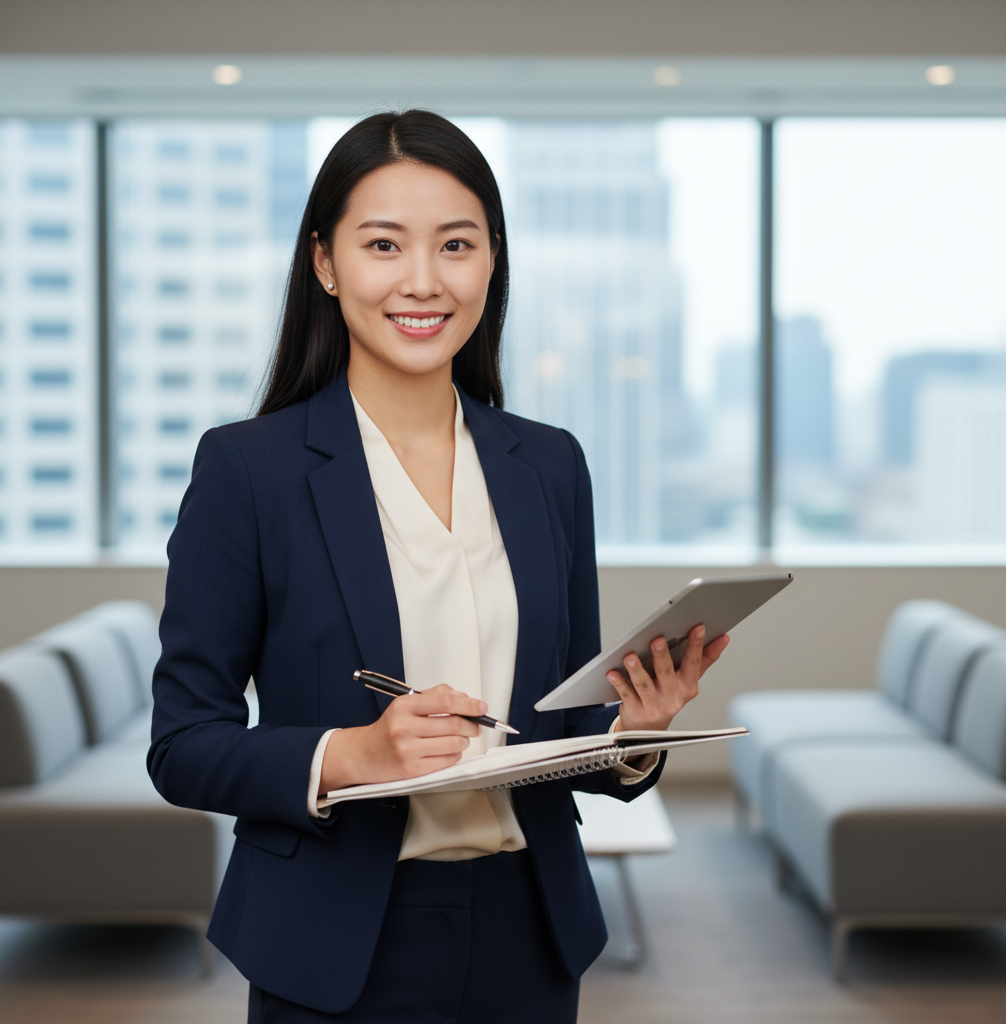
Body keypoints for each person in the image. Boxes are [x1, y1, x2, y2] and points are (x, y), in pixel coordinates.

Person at [148, 110, 729, 1024]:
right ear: (326, 263)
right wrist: (351, 755)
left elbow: (558, 731)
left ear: (492, 260)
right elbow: (182, 747)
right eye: (384, 244)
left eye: (455, 244)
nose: (423, 280)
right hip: (333, 942)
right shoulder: (247, 471)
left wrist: (633, 733)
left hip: (530, 934)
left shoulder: (550, 465)